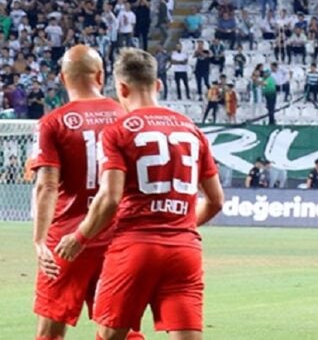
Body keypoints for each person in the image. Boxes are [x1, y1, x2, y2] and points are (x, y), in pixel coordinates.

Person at [53, 48, 225, 340]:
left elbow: (110, 198)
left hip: (134, 247)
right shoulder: (192, 130)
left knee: (110, 335)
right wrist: (178, 226)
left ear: (121, 88)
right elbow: (216, 200)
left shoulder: (117, 131)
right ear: (158, 85)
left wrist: (79, 237)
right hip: (184, 251)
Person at [29, 46, 138, 340]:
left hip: (66, 239)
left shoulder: (53, 122)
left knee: (50, 332)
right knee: (120, 330)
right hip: (118, 237)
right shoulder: (126, 117)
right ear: (100, 76)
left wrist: (40, 241)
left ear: (63, 78)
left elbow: (47, 186)